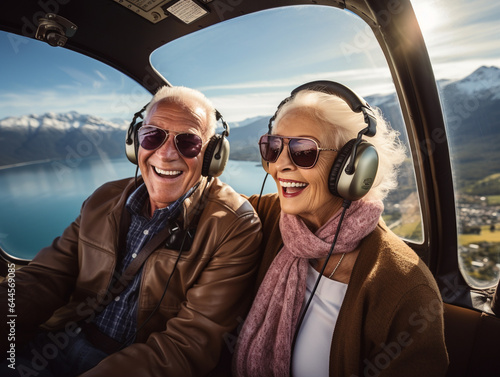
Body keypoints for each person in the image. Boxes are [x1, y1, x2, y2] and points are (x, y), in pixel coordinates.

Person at [0, 86, 262, 376]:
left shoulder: (234, 226)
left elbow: (188, 344)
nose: (166, 154)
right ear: (136, 144)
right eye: (153, 136)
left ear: (213, 155)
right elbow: (45, 276)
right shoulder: (104, 199)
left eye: (188, 142)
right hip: (54, 341)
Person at [234, 81, 449, 376]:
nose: (278, 165)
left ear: (353, 166)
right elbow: (207, 200)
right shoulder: (269, 216)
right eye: (273, 147)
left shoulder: (404, 288)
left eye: (304, 151)